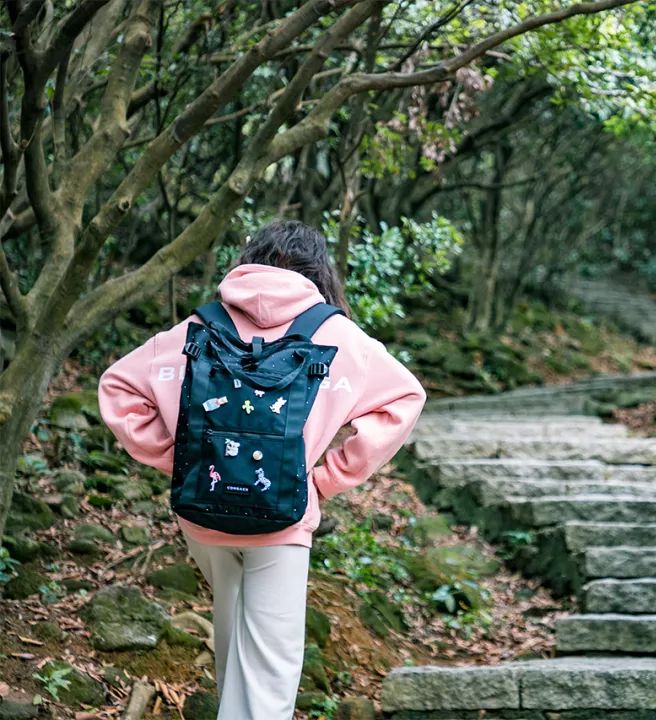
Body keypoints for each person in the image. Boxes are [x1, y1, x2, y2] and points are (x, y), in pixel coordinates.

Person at [98, 219, 427, 719]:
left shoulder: (196, 328)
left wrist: (182, 457)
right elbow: (405, 397)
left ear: (249, 261)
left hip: (202, 510)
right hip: (283, 517)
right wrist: (326, 478)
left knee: (232, 630)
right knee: (269, 671)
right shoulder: (337, 336)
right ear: (320, 271)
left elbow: (118, 388)